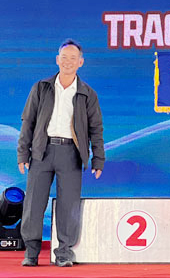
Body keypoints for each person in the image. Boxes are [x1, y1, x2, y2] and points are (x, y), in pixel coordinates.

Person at [17, 39, 105, 267]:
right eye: (64, 58)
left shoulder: (87, 94)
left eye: (73, 58)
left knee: (68, 205)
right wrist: (22, 154)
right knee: (34, 204)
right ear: (57, 60)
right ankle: (32, 252)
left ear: (81, 63)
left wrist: (98, 158)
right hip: (41, 152)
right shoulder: (41, 87)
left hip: (71, 154)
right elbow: (28, 122)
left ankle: (64, 253)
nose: (68, 62)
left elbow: (96, 129)